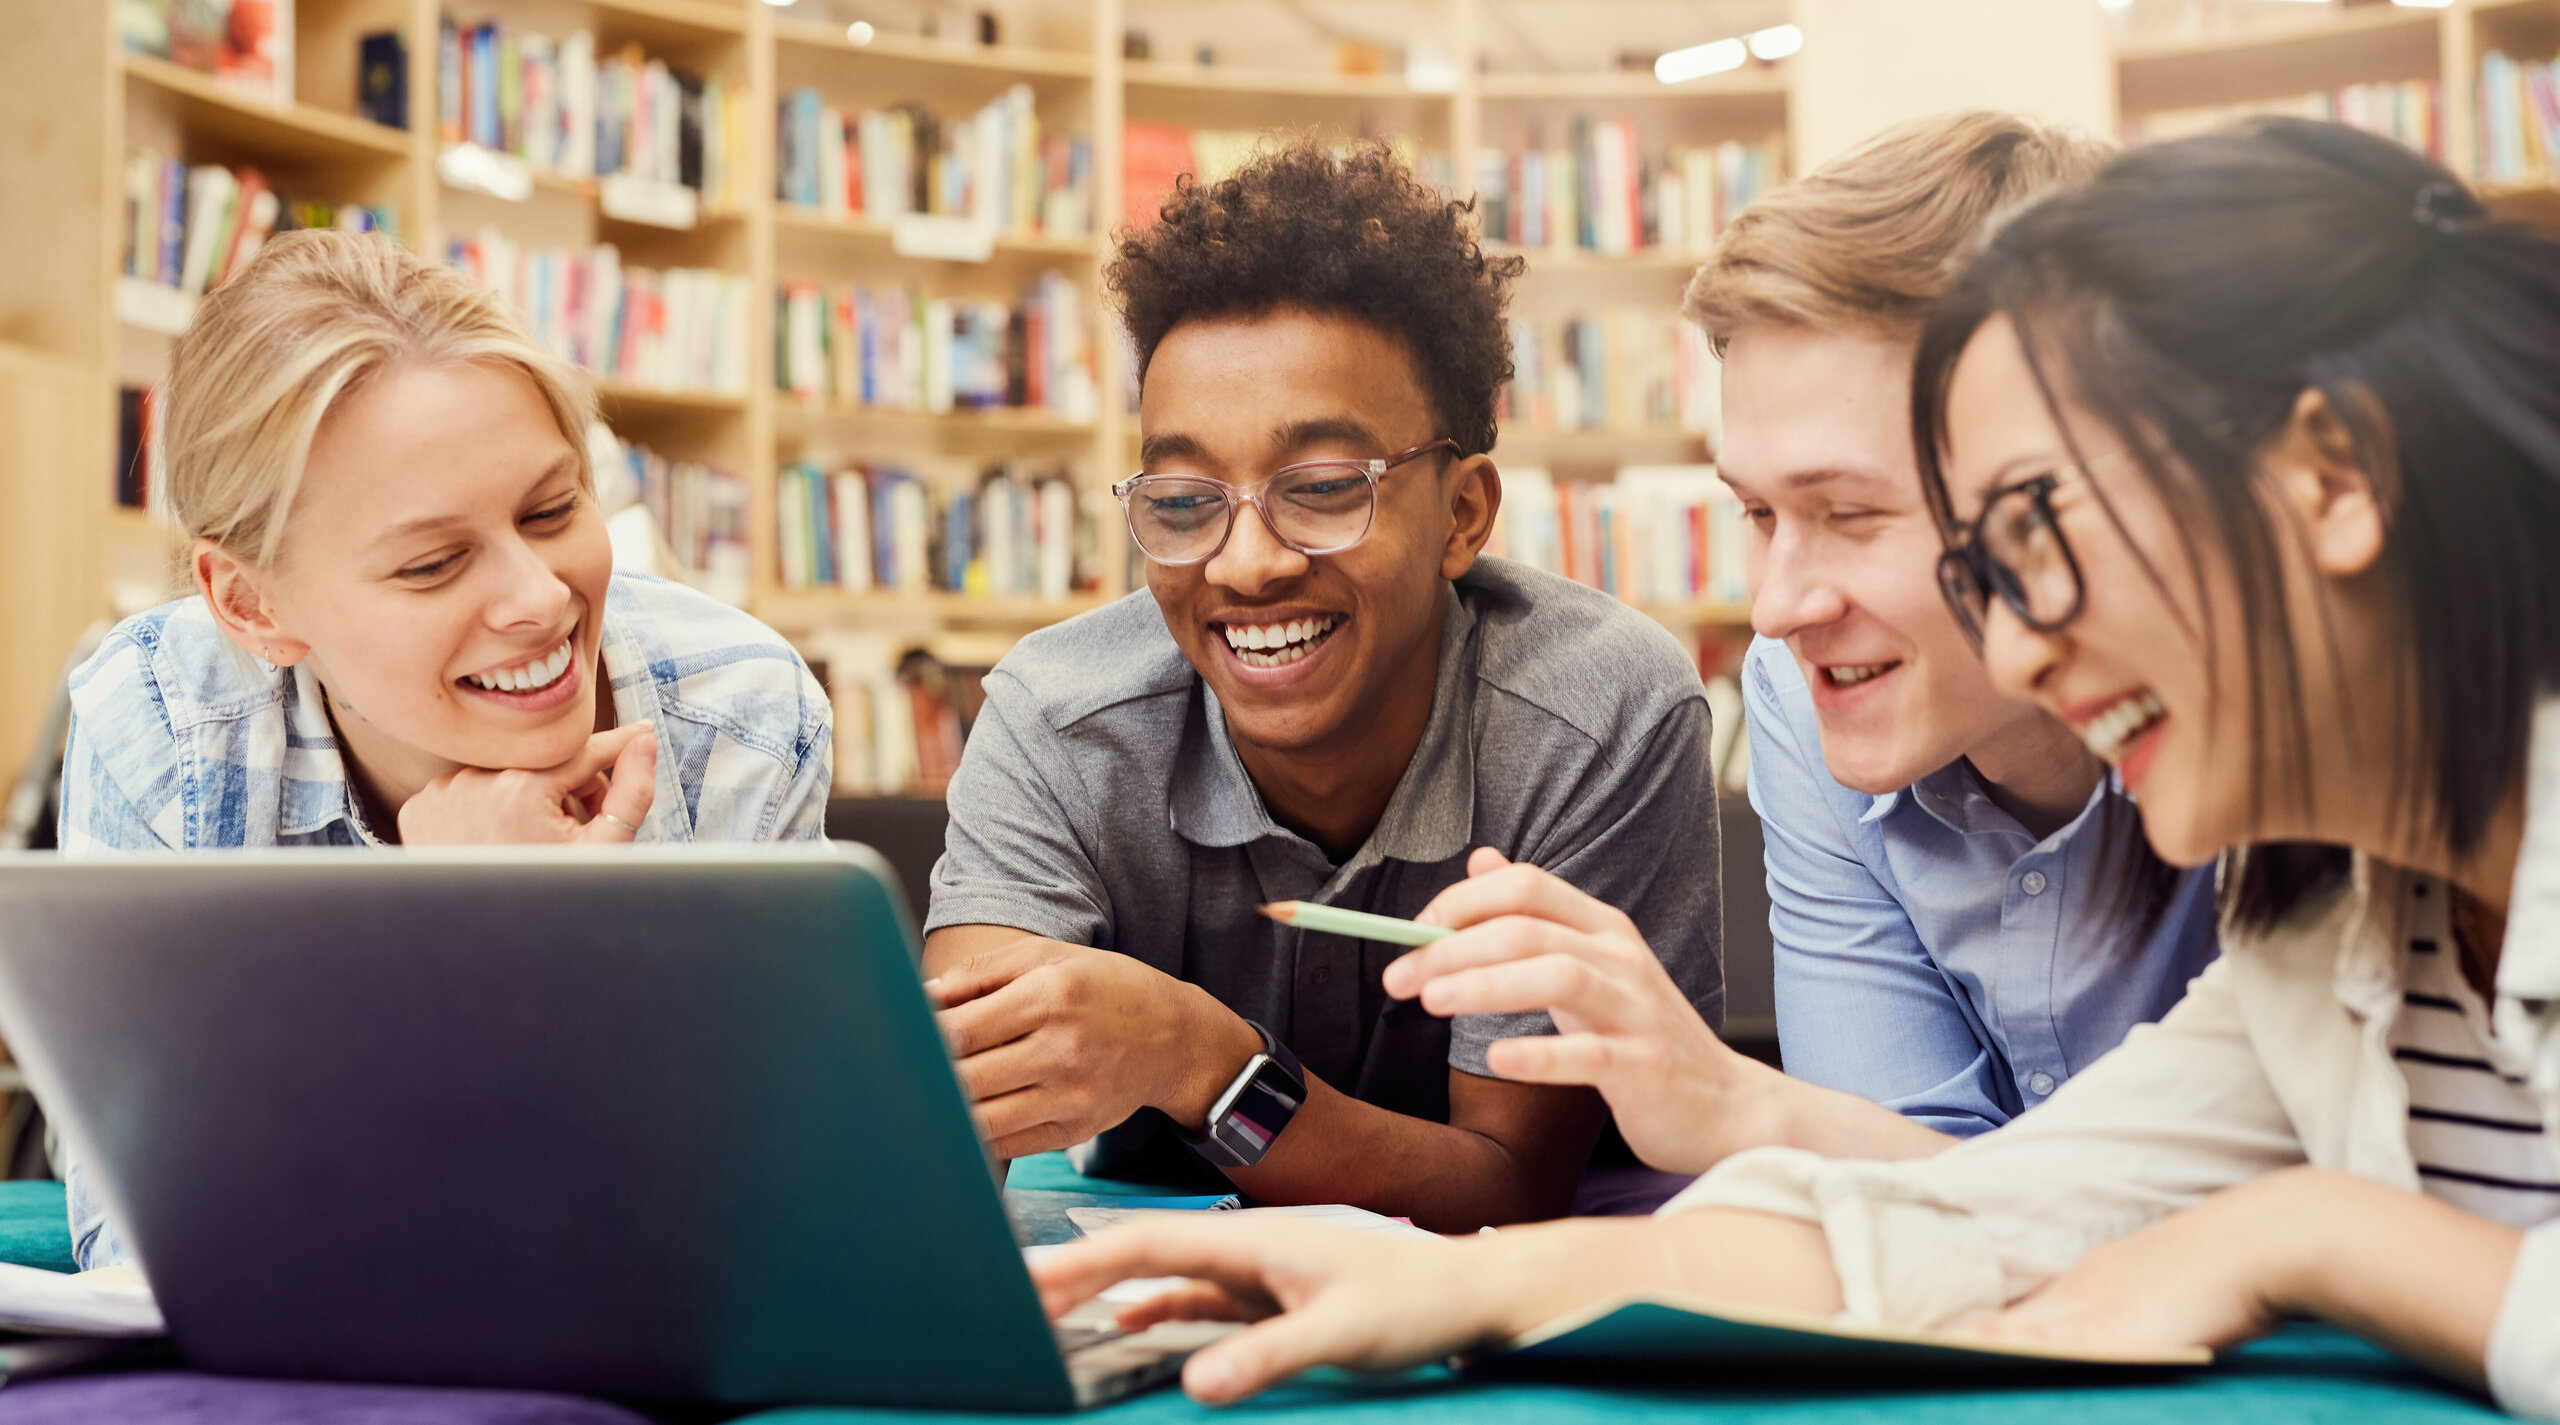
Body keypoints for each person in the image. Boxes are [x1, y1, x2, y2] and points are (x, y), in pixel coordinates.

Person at [1029, 118, 2560, 1419]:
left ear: (2333, 479)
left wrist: (2317, 1237)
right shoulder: (2326, 931)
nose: (2022, 644)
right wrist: (1446, 1283)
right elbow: (1976, 1218)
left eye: (2039, 533)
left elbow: (2208, 1227)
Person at [1365, 112, 2219, 1183]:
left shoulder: (2272, 736)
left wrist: (1737, 1107)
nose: (1772, 610)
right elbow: (1913, 1190)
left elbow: (2294, 1214)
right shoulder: (1798, 691)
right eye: (1758, 514)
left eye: (1851, 514)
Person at [921, 141, 1723, 1231]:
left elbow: (1505, 1187)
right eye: (1183, 498)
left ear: (1462, 515)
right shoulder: (1058, 718)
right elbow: (949, 1142)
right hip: (1165, 1282)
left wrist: (1196, 1057)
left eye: (1324, 486)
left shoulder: (1597, 717)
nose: (1247, 564)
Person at [58, 230, 833, 1266]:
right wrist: (452, 945)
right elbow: (147, 1245)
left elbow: (767, 1213)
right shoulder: (160, 727)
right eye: (432, 564)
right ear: (249, 604)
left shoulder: (740, 715)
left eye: (553, 509)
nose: (540, 597)